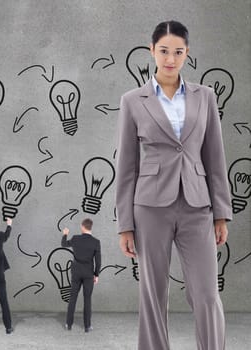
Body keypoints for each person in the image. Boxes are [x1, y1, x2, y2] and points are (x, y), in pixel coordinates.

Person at [116, 20, 232, 350]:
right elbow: (126, 166)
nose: (170, 58)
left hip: (198, 206)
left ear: (187, 54)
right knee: (153, 294)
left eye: (178, 52)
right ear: (152, 51)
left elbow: (215, 158)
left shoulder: (205, 96)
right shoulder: (132, 100)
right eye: (164, 51)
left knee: (207, 293)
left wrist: (221, 213)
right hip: (150, 208)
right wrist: (125, 224)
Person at [61, 218, 101, 333]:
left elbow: (63, 244)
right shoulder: (96, 242)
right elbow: (98, 261)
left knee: (73, 298)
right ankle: (87, 326)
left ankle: (69, 324)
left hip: (76, 273)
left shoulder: (75, 238)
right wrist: (96, 274)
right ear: (91, 227)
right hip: (89, 273)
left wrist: (65, 234)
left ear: (83, 226)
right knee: (87, 299)